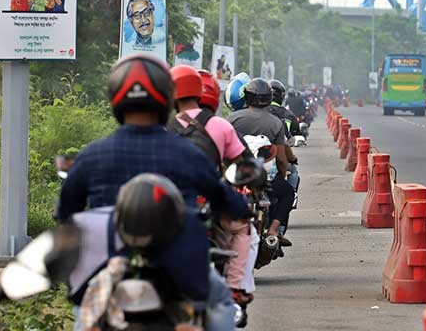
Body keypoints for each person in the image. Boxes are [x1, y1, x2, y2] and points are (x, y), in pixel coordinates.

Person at [56, 53, 248, 331]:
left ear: (116, 98)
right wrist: (241, 207)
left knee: (85, 306)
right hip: (179, 265)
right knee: (219, 299)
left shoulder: (91, 155)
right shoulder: (186, 153)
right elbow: (224, 197)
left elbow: (66, 213)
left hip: (107, 263)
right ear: (165, 98)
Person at [168, 65, 254, 307]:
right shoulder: (220, 125)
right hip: (210, 202)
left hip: (172, 206)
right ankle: (235, 287)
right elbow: (245, 165)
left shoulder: (166, 129)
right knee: (243, 227)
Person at [228, 78, 294, 246]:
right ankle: (273, 229)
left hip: (238, 176)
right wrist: (282, 175)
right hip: (265, 179)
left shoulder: (232, 119)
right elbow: (281, 159)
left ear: (247, 97)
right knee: (287, 192)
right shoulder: (275, 123)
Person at [267, 80, 301, 209]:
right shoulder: (287, 114)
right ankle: (292, 196)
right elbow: (294, 132)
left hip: (255, 158)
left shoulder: (256, 112)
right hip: (279, 153)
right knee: (293, 172)